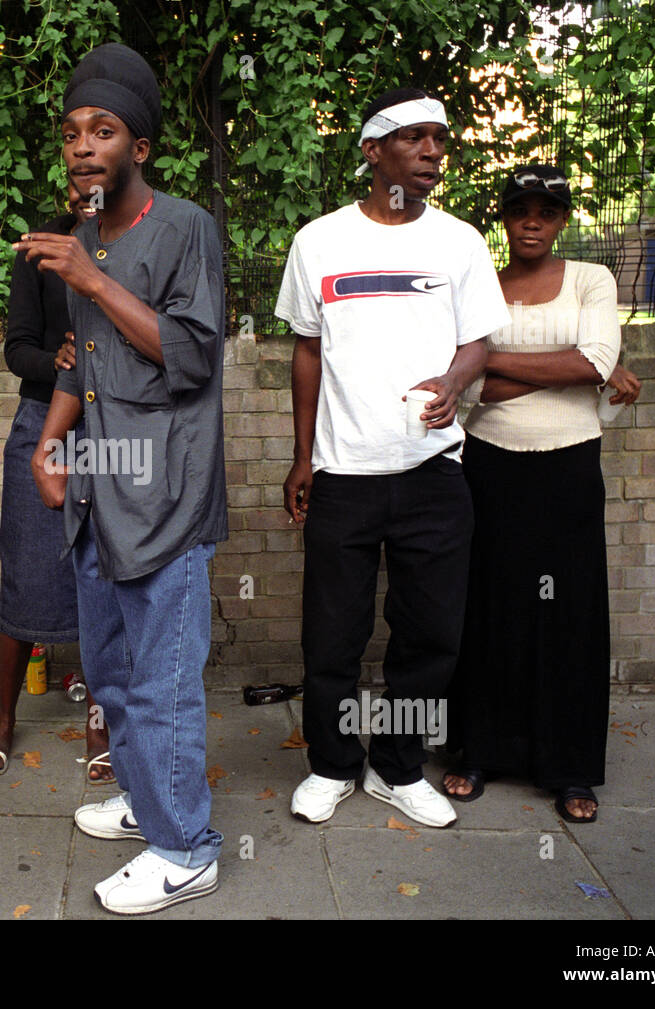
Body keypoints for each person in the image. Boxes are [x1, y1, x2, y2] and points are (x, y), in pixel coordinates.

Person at [16, 42, 228, 914]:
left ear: (139, 148)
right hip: (99, 490)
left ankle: (187, 849)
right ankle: (149, 804)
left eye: (102, 131)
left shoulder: (184, 229)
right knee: (108, 669)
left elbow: (188, 355)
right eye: (70, 133)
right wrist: (50, 442)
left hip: (166, 496)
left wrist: (93, 280)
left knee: (163, 679)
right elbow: (78, 361)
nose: (81, 147)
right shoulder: (81, 240)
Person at [275, 87, 510, 830]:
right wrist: (301, 454)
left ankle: (398, 766)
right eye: (415, 138)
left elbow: (480, 338)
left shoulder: (460, 243)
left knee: (429, 633)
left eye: (440, 139)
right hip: (343, 474)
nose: (434, 151)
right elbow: (307, 350)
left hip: (434, 472)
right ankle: (332, 762)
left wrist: (453, 380)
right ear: (374, 151)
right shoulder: (321, 241)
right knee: (332, 636)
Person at [442, 165, 641, 823]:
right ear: (504, 217)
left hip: (569, 468)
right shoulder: (483, 289)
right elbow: (472, 392)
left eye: (547, 211)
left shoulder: (590, 278)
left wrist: (495, 360)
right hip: (491, 464)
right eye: (521, 209)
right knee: (490, 608)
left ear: (561, 221)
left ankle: (570, 767)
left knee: (570, 615)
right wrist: (572, 367)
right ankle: (477, 750)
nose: (533, 221)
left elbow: (595, 362)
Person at [0, 182, 113, 783]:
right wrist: (53, 361)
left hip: (116, 425)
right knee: (29, 563)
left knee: (109, 569)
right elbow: (17, 348)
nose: (92, 192)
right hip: (43, 421)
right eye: (80, 184)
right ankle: (5, 714)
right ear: (64, 186)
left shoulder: (141, 244)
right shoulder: (37, 252)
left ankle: (101, 717)